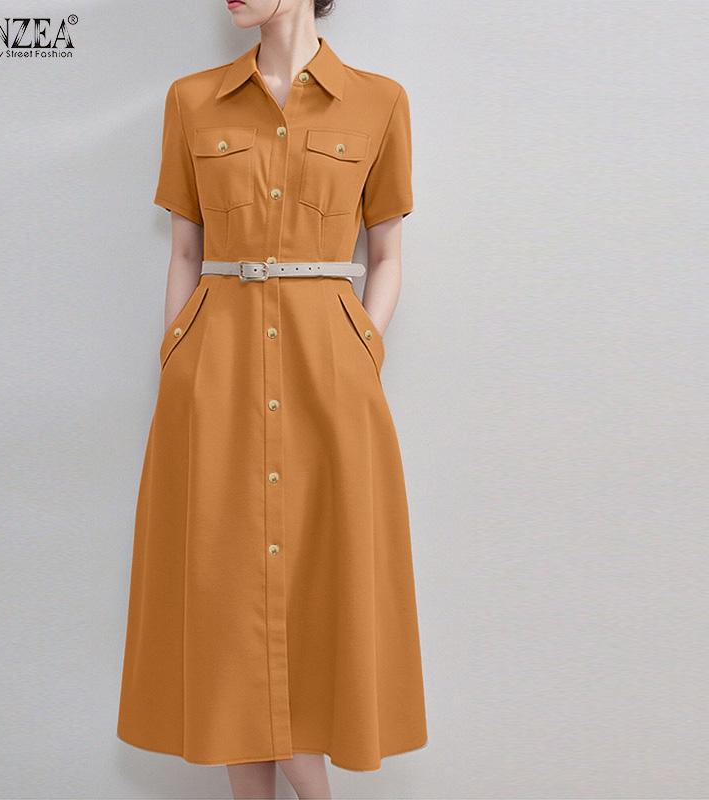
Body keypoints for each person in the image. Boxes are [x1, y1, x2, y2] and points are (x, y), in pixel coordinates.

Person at [116, 1, 428, 797]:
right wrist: (177, 357)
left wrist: (363, 348)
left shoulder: (380, 100)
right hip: (213, 374)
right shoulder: (192, 100)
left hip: (331, 377)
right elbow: (185, 251)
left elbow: (387, 253)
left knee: (321, 591)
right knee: (225, 602)